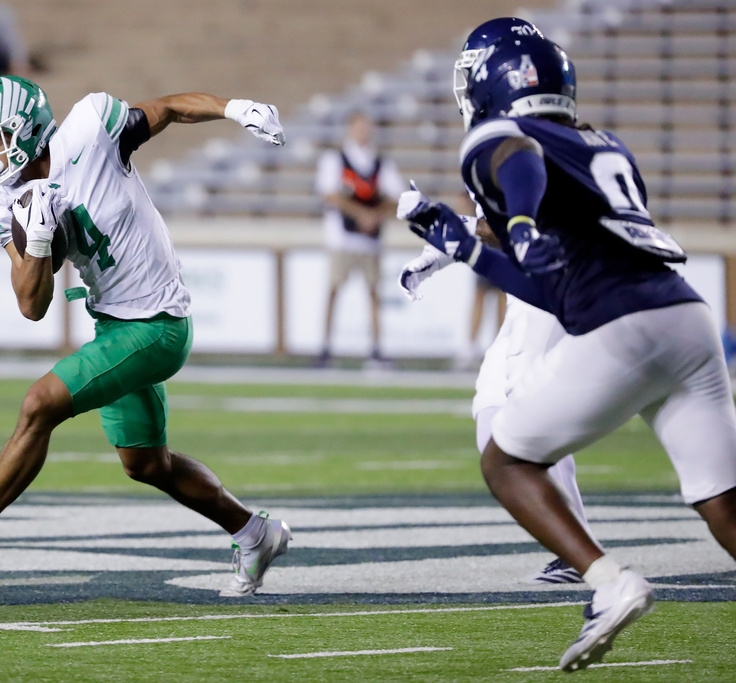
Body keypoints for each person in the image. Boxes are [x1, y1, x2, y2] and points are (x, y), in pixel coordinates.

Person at [403, 32, 736, 670]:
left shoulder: (495, 138)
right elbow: (550, 289)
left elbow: (516, 154)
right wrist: (466, 247)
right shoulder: (606, 144)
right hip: (688, 317)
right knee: (721, 496)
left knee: (505, 460)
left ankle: (605, 580)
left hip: (624, 323)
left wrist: (520, 225)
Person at [0, 76, 291, 598]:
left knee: (40, 404)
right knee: (146, 463)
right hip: (114, 323)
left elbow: (167, 107)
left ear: (26, 129)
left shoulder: (90, 131)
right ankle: (254, 532)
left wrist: (234, 107)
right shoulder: (2, 204)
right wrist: (34, 241)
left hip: (158, 322)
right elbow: (32, 306)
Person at [399, 18, 595, 586]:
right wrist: (451, 242)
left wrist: (455, 238)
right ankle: (575, 545)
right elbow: (507, 221)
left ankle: (583, 555)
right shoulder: (548, 136)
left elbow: (524, 216)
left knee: (522, 415)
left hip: (560, 289)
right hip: (546, 291)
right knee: (495, 412)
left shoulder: (524, 142)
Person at [315, 111, 404, 367]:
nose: (363, 132)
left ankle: (376, 348)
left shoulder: (380, 162)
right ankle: (325, 347)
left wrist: (375, 215)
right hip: (341, 238)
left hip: (371, 240)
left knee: (373, 292)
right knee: (334, 289)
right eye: (359, 127)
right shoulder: (335, 159)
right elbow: (329, 194)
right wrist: (361, 214)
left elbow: (397, 195)